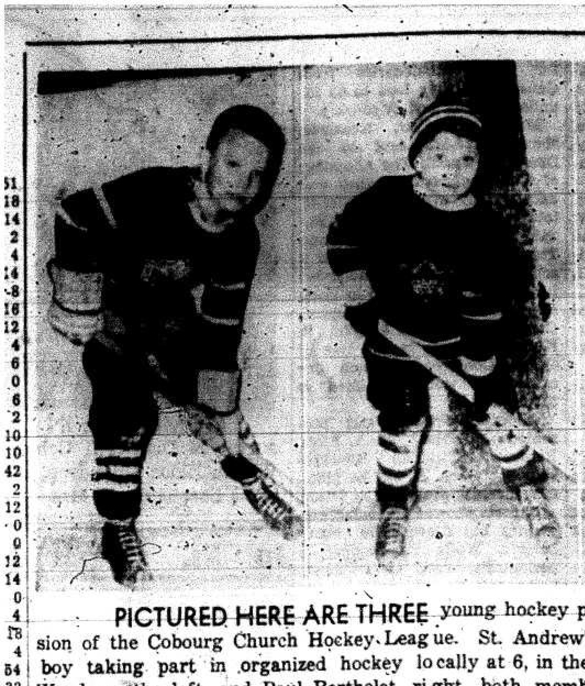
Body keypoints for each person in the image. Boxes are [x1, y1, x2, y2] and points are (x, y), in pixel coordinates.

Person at [47, 104, 297, 589]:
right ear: (206, 157)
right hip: (114, 327)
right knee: (126, 420)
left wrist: (219, 403)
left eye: (256, 175)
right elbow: (72, 212)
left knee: (219, 409)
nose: (241, 186)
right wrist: (79, 296)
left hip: (170, 324)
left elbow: (222, 329)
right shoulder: (154, 192)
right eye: (231, 165)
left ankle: (252, 479)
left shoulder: (241, 236)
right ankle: (117, 527)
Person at [327, 99, 557, 568]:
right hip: (395, 340)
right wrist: (357, 288)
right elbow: (343, 234)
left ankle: (528, 486)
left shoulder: (483, 227)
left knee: (495, 412)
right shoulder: (386, 199)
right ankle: (393, 504)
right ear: (415, 158)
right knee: (400, 422)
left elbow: (487, 303)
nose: (454, 170)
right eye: (440, 156)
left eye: (467, 159)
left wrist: (477, 370)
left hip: (461, 343)